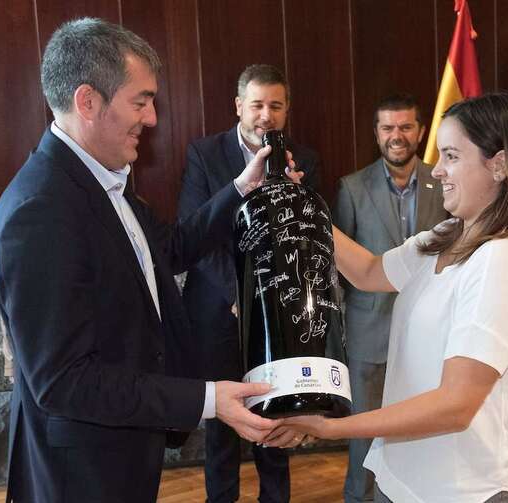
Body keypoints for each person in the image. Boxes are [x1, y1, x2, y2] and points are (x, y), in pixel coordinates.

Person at [0, 18, 287, 503]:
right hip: (80, 472)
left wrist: (242, 188)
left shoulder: (105, 182)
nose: (151, 118)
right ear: (88, 102)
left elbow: (167, 250)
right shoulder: (39, 212)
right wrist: (210, 400)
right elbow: (64, 382)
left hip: (122, 450)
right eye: (141, 101)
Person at [273, 92, 508, 502]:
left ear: (499, 165)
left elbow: (455, 405)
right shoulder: (447, 235)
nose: (437, 170)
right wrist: (302, 205)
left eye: (452, 156)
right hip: (408, 477)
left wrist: (331, 427)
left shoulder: (504, 259)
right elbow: (369, 272)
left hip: (467, 491)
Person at [177, 63, 320, 503]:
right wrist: (239, 295)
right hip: (217, 312)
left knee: (274, 416)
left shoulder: (303, 160)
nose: (266, 115)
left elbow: (303, 238)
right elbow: (196, 233)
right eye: (257, 104)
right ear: (239, 106)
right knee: (222, 427)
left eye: (275, 106)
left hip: (275, 313)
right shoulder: (204, 153)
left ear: (286, 110)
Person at [333, 93, 448, 503]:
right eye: (387, 128)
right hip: (370, 334)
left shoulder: (446, 182)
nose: (396, 136)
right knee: (364, 434)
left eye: (405, 127)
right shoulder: (351, 187)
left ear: (419, 131)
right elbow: (339, 270)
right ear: (376, 134)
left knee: (417, 436)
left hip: (430, 336)